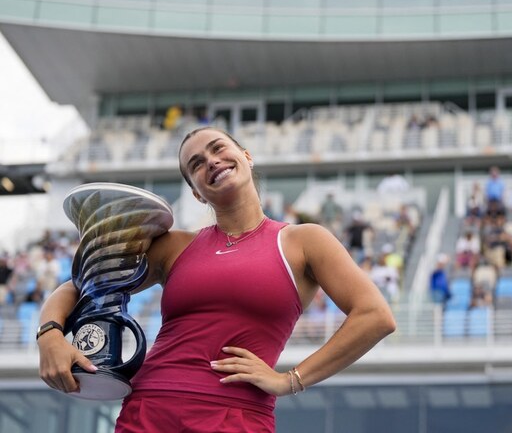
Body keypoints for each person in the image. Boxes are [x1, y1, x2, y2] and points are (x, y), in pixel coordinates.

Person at [37, 127, 396, 432]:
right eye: (195, 164)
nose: (210, 161)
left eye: (217, 148)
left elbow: (375, 316)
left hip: (237, 417)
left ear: (246, 156)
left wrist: (291, 380)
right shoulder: (175, 246)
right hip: (148, 409)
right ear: (195, 191)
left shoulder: (305, 241)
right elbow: (82, 285)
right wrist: (50, 334)